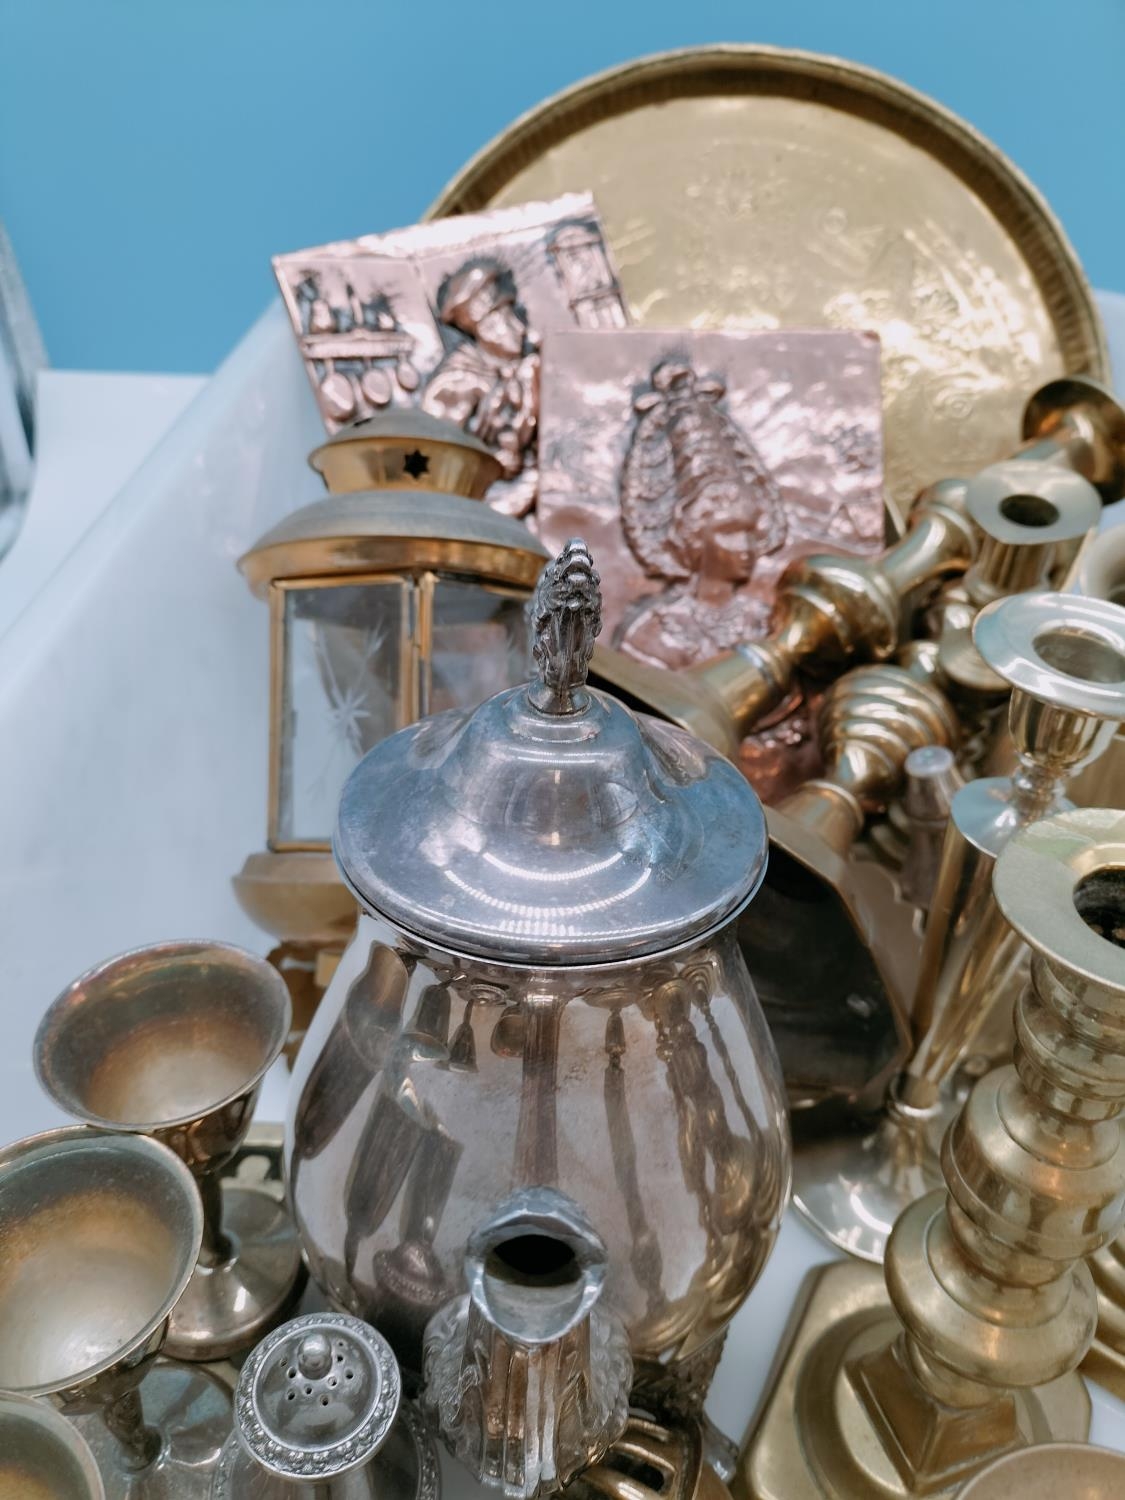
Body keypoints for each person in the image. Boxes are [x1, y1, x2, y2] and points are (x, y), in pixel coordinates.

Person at [616, 359, 787, 669]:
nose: (745, 546)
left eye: (749, 530)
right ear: (694, 537)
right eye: (729, 531)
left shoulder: (766, 625)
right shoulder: (654, 632)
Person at [421, 259, 539, 487]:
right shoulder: (457, 382)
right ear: (487, 328)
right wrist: (489, 462)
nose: (521, 328)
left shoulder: (524, 368)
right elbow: (439, 461)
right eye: (508, 319)